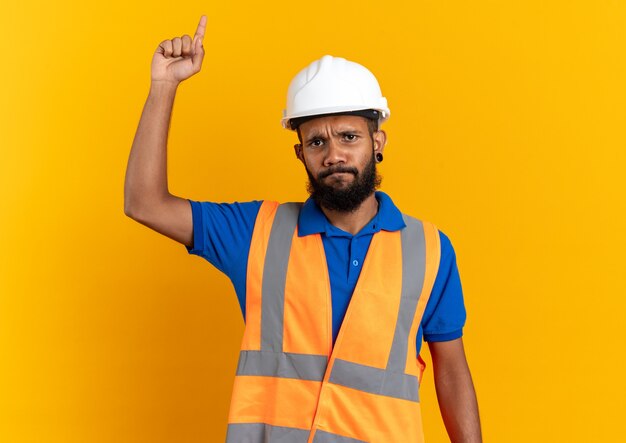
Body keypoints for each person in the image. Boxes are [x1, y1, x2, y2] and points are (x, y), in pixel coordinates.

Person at [124, 15, 482, 443]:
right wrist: (164, 87)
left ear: (378, 143)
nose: (333, 154)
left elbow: (452, 368)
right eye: (317, 141)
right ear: (300, 153)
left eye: (349, 136)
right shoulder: (257, 232)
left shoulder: (430, 249)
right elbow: (144, 203)